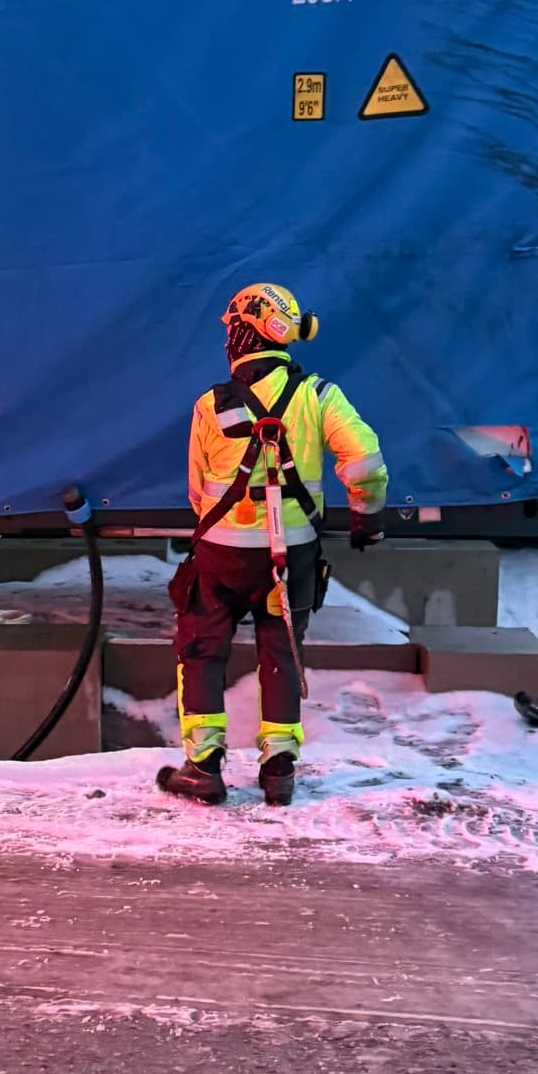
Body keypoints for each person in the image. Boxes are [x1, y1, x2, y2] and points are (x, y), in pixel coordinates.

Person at [159, 282, 388, 809]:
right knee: (282, 651)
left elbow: (197, 491)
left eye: (230, 327)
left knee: (201, 651)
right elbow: (367, 458)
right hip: (294, 556)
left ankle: (203, 768)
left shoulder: (209, 405)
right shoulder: (319, 396)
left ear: (247, 328)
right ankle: (279, 771)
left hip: (219, 555)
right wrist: (366, 519)